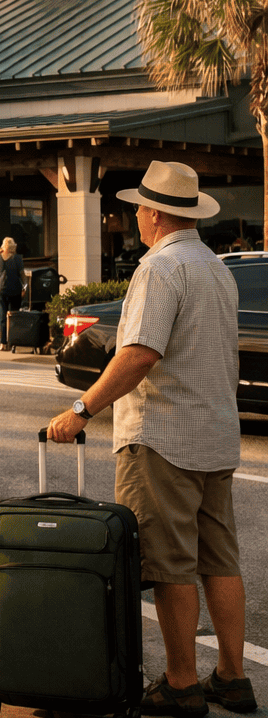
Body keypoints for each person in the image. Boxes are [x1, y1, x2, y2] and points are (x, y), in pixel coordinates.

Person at [48, 162, 257, 718]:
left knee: (169, 566)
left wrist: (80, 408)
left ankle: (182, 682)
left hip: (162, 437)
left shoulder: (160, 269)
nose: (134, 215)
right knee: (219, 559)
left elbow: (139, 353)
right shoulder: (217, 269)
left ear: (158, 214)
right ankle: (233, 678)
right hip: (215, 434)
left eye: (138, 207)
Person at [0, 236, 25, 351]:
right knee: (13, 317)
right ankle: (12, 342)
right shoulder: (17, 258)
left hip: (1, 290)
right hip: (15, 289)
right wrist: (24, 287)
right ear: (13, 247)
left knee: (2, 316)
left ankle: (3, 343)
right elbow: (22, 274)